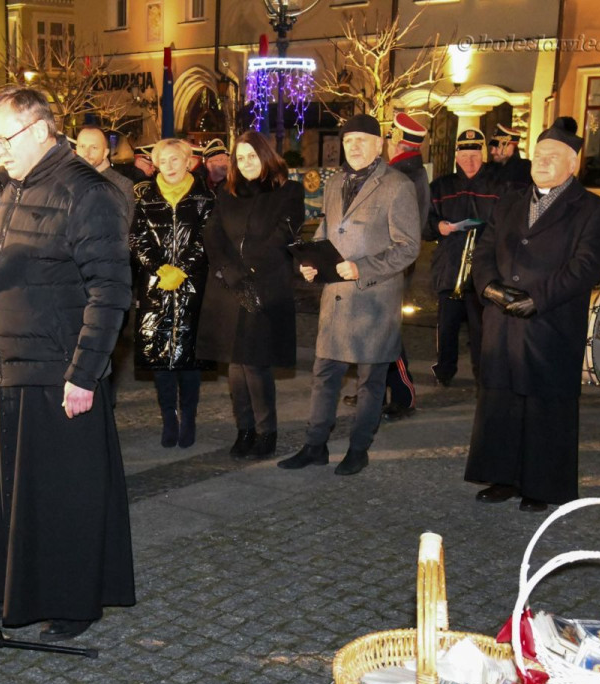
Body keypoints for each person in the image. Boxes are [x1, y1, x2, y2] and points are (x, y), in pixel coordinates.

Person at [0, 86, 135, 641]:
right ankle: (14, 594)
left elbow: (111, 289)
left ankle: (71, 604)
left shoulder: (86, 193)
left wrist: (84, 372)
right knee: (20, 497)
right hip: (10, 364)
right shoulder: (7, 189)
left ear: (41, 130)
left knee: (65, 497)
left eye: (4, 140)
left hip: (60, 370)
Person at [465, 118, 600, 512]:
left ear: (573, 165)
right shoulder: (510, 200)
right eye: (539, 154)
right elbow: (484, 250)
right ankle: (502, 476)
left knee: (545, 406)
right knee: (501, 400)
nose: (543, 162)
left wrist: (538, 299)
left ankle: (541, 485)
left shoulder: (594, 209)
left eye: (554, 156)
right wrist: (489, 287)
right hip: (502, 320)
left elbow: (586, 267)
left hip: (551, 321)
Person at [277, 114, 420, 476]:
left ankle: (359, 448)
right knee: (324, 374)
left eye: (362, 140)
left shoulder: (397, 185)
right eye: (348, 140)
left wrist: (363, 268)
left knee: (370, 381)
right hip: (337, 297)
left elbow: (408, 247)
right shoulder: (335, 181)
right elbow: (328, 230)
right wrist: (312, 264)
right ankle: (315, 445)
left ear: (379, 145)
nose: (353, 146)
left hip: (374, 300)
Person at [197, 130, 304, 460]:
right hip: (229, 287)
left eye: (251, 157)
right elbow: (213, 235)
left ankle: (265, 431)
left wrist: (249, 273)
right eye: (239, 158)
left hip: (264, 285)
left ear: (266, 156)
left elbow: (282, 237)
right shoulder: (226, 192)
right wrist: (230, 271)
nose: (245, 163)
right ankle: (244, 429)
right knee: (234, 363)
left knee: (255, 363)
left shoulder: (288, 191)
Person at [130, 137, 216, 448]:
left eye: (175, 160)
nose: (169, 166)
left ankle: (188, 418)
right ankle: (169, 418)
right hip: (157, 290)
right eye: (163, 161)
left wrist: (182, 269)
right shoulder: (145, 198)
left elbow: (208, 238)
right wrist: (159, 268)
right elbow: (137, 239)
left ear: (189, 161)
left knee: (189, 361)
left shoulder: (205, 198)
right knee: (161, 360)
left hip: (193, 287)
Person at [426, 128, 505, 387]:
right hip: (450, 267)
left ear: (482, 155)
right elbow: (424, 222)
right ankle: (444, 371)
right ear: (456, 156)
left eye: (475, 154)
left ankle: (484, 375)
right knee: (446, 326)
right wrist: (438, 227)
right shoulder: (440, 186)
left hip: (484, 270)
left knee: (482, 328)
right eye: (464, 154)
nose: (470, 160)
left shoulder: (498, 186)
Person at [379, 111, 430, 421]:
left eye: (388, 137)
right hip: (394, 261)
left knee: (387, 333)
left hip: (392, 262)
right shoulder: (411, 171)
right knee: (378, 329)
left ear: (398, 141)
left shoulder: (402, 175)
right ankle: (377, 389)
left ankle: (403, 394)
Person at [75, 125, 134, 221]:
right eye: (82, 146)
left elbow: (121, 230)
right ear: (76, 149)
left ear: (105, 153)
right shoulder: (63, 180)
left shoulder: (121, 185)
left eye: (94, 147)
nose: (86, 153)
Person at [485, 124, 532, 188]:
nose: (492, 152)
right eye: (492, 148)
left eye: (497, 147)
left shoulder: (525, 170)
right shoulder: (488, 168)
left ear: (510, 147)